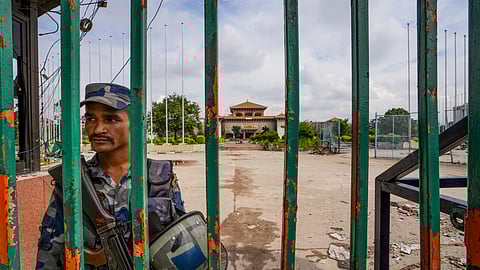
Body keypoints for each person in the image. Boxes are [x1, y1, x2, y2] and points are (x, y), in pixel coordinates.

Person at [36, 83, 185, 269]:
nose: (97, 129)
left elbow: (181, 245)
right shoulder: (75, 181)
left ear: (135, 123)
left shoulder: (159, 176)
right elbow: (49, 251)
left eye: (111, 119)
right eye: (91, 119)